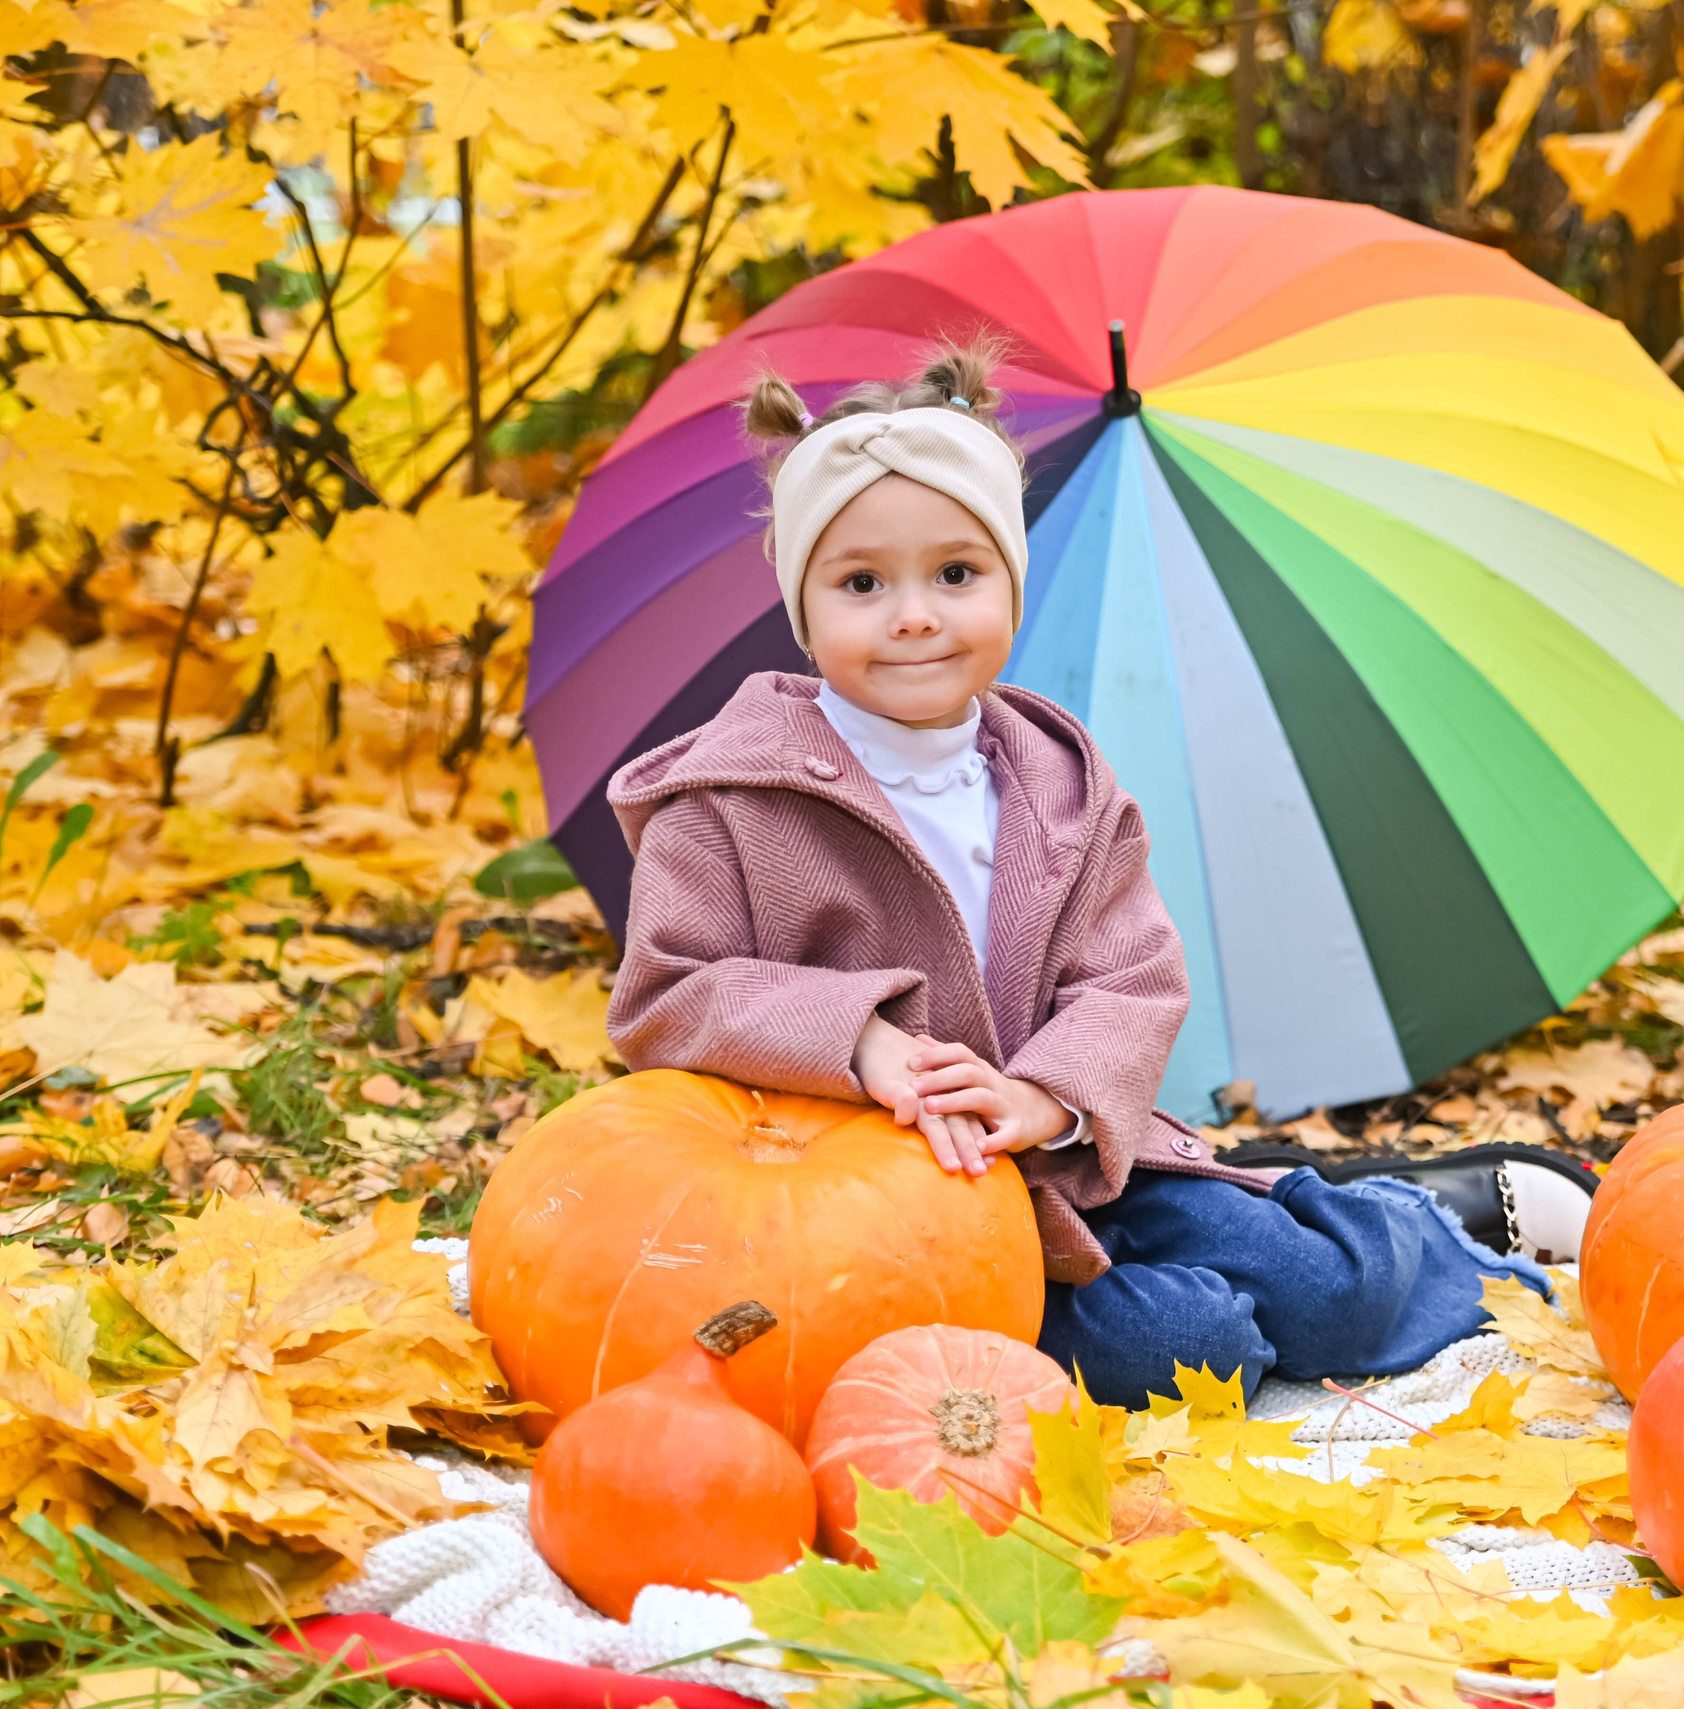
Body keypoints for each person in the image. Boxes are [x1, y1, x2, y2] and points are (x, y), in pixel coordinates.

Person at [603, 339, 1595, 1408]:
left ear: (1008, 582)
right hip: (873, 1217)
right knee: (1182, 1346)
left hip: (1076, 1162)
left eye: (955, 572)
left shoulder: (1060, 784)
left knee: (1327, 1287)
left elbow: (1133, 977)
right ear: (805, 610)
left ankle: (1432, 1215)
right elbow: (670, 992)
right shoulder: (728, 797)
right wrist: (864, 1043)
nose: (916, 614)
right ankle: (1243, 1271)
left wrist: (1043, 1093)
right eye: (860, 582)